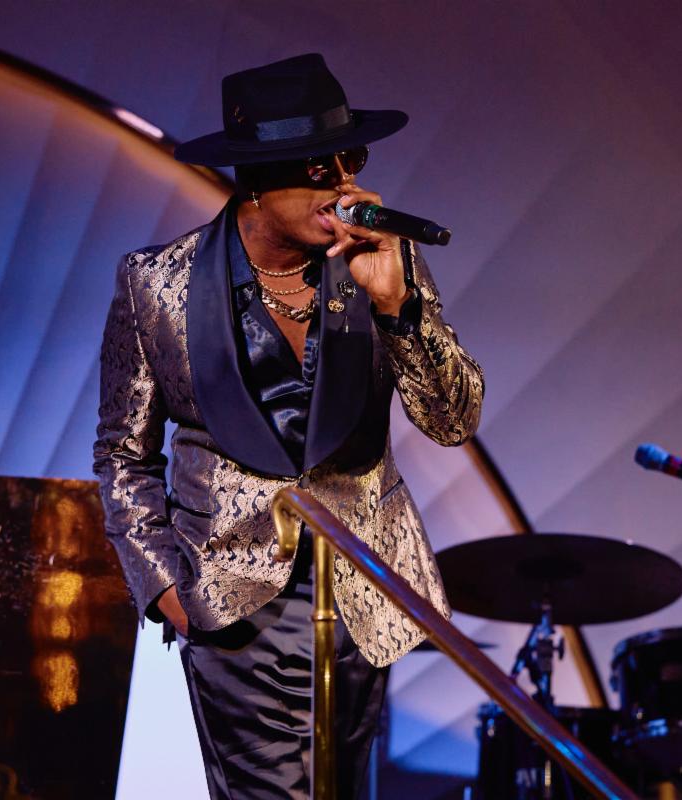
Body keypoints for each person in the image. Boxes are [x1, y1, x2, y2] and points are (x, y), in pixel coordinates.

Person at [93, 53, 483, 799]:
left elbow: (453, 420)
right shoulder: (157, 284)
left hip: (362, 595)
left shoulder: (382, 263)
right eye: (316, 166)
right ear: (255, 178)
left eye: (351, 159)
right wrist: (163, 583)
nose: (342, 183)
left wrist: (397, 310)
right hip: (230, 598)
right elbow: (122, 454)